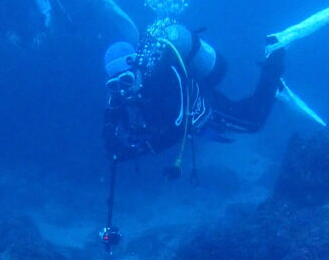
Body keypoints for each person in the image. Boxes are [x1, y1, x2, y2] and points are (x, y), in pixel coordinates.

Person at [102, 23, 285, 170]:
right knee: (247, 114)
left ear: (136, 68)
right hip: (185, 108)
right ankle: (272, 88)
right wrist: (109, 134)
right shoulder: (122, 90)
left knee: (253, 121)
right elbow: (112, 109)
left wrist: (142, 149)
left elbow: (181, 126)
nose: (123, 90)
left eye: (127, 80)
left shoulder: (162, 75)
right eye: (114, 85)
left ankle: (275, 56)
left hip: (202, 107)